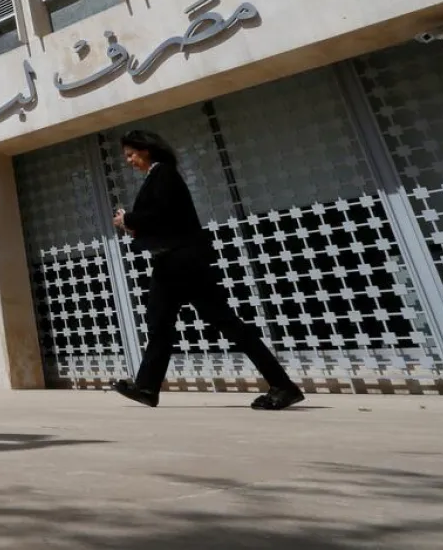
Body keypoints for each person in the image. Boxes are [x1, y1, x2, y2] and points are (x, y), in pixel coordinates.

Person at [110, 129, 304, 411]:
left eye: (131, 154)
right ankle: (147, 387)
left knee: (224, 323)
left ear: (146, 149)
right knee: (159, 323)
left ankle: (283, 386)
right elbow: (162, 220)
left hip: (183, 261)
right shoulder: (158, 176)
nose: (129, 161)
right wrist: (133, 224)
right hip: (170, 262)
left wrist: (128, 217)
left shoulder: (163, 174)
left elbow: (162, 214)